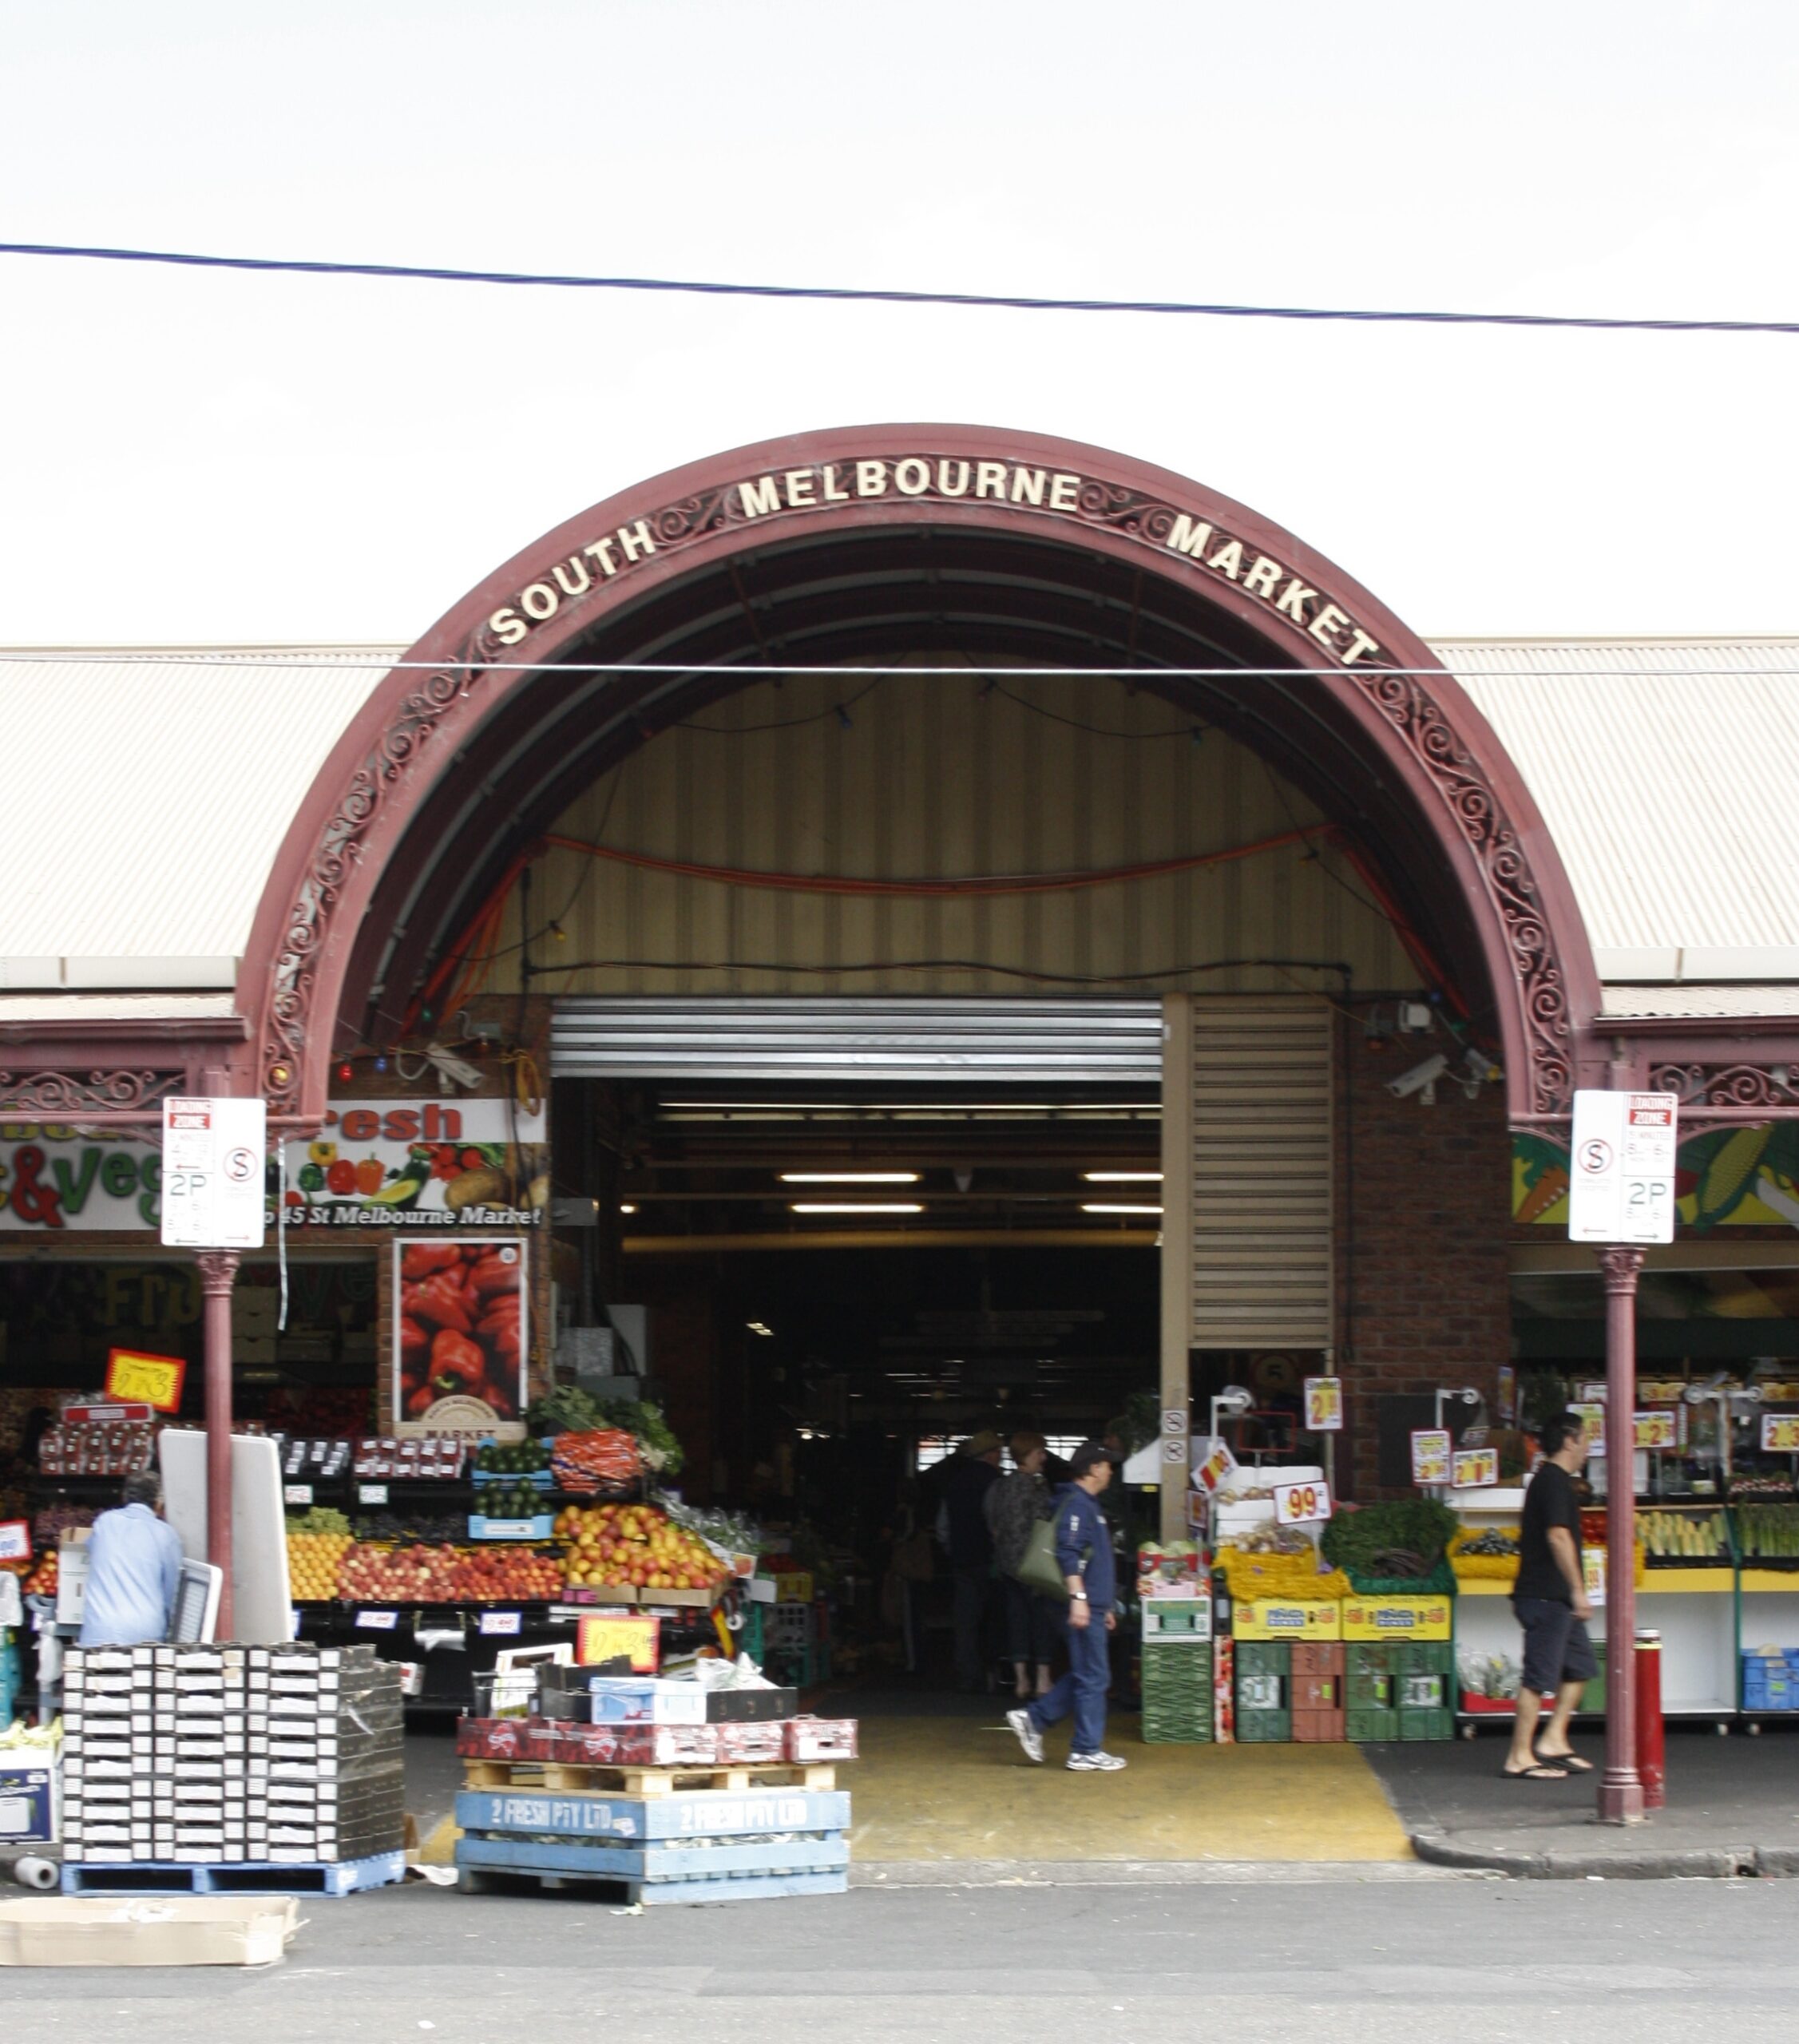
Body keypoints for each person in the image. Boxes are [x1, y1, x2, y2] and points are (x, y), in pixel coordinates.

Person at [1006, 1440, 1126, 1772]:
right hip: (1081, 1605)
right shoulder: (1078, 1504)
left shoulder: (1088, 1504)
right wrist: (1080, 1600)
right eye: (1107, 1464)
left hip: (1093, 1605)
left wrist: (1104, 1604)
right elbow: (1068, 1552)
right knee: (1094, 1677)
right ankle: (1085, 1749)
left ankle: (1035, 1719)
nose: (1111, 1471)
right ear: (1094, 1469)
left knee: (1089, 1673)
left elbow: (1092, 1559)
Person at [1504, 1411, 1596, 1781]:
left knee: (1581, 1668)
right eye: (1586, 1438)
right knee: (1538, 1677)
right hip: (1545, 1597)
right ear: (1570, 1440)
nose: (1589, 1447)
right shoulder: (1553, 1482)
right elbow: (1558, 1536)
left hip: (1557, 1598)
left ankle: (1553, 1739)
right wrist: (1578, 1590)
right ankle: (1519, 1756)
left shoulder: (1557, 1481)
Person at [983, 1430, 1057, 1699]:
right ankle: (1042, 1680)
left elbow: (991, 1521)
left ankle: (1021, 1680)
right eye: (1040, 1452)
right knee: (1041, 1620)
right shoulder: (1037, 1485)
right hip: (1033, 1565)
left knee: (1016, 1620)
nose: (1044, 1457)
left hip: (1007, 1564)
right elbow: (1044, 1521)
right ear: (1027, 1455)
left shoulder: (1000, 1486)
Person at [79, 1472, 184, 1647]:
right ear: (159, 1503)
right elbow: (172, 1594)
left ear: (124, 1496)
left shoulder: (104, 1523)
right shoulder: (166, 1535)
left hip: (99, 1630)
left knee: (96, 1674)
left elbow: (91, 1550)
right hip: (145, 1635)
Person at [943, 1430, 1004, 1691]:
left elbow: (943, 1524)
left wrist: (953, 1549)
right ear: (992, 1454)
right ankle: (994, 1672)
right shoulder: (996, 1481)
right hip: (989, 1560)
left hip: (962, 1559)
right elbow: (997, 1522)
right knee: (994, 1618)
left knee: (965, 1621)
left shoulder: (955, 1481)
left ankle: (968, 1675)